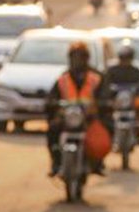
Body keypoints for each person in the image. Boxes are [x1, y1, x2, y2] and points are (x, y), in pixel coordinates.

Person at [46, 42, 108, 177]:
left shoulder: (96, 77)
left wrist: (102, 104)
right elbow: (52, 96)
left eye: (80, 57)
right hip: (69, 118)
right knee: (52, 129)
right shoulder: (63, 78)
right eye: (74, 57)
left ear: (86, 58)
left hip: (89, 118)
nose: (77, 60)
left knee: (104, 132)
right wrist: (52, 103)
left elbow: (105, 95)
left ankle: (97, 163)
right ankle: (56, 162)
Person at [103, 41, 139, 146]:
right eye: (123, 58)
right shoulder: (112, 71)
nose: (125, 61)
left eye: (127, 58)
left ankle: (138, 133)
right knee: (104, 110)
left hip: (131, 101)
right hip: (115, 101)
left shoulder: (136, 72)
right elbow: (105, 84)